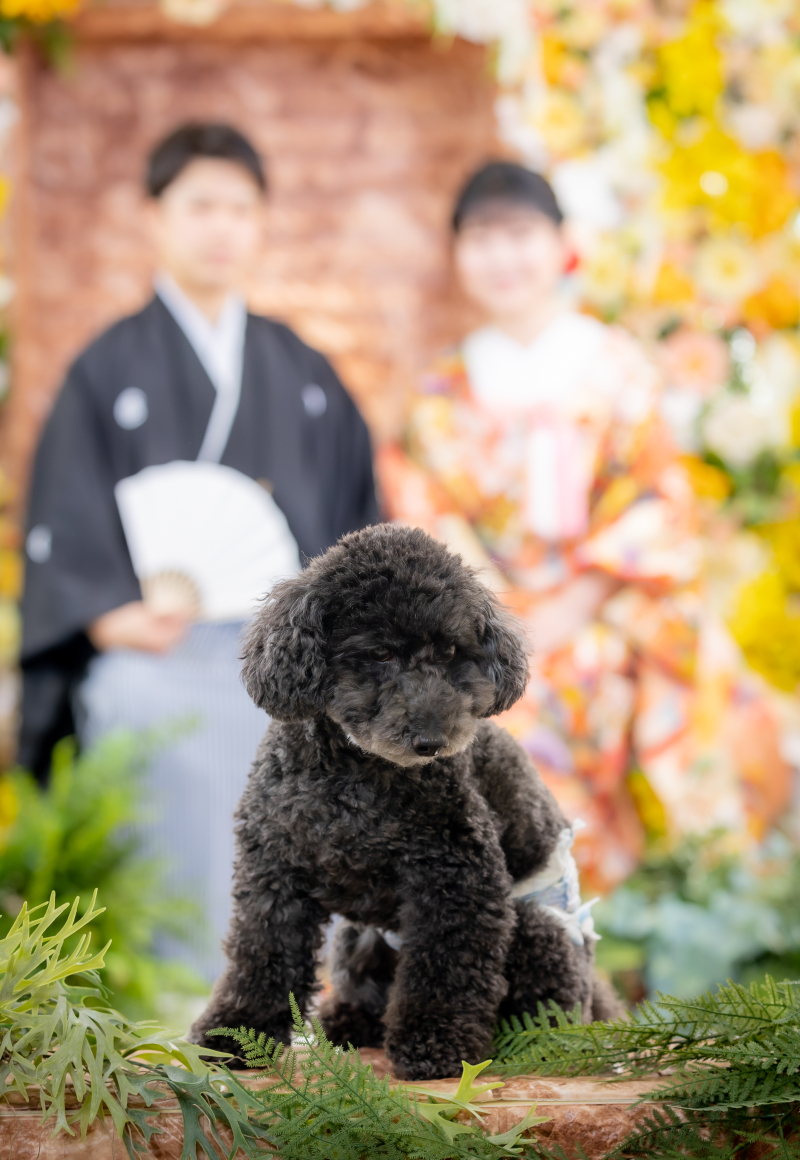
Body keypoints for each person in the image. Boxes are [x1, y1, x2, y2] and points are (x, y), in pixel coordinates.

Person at [20, 123, 379, 977]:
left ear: (261, 224)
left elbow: (355, 521)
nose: (221, 227)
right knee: (135, 705)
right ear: (157, 217)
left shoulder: (306, 374)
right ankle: (163, 979)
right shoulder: (105, 369)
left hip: (281, 657)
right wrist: (104, 614)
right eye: (199, 206)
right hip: (158, 649)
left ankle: (306, 989)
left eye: (239, 209)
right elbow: (63, 515)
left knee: (324, 728)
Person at [380, 160, 790, 894]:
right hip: (486, 626)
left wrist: (574, 607)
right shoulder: (442, 390)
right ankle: (537, 932)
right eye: (481, 238)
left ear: (562, 244)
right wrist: (499, 618)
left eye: (521, 234)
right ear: (457, 256)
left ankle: (656, 922)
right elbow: (428, 516)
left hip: (609, 609)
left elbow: (658, 501)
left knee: (692, 719)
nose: (502, 256)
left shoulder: (615, 369)